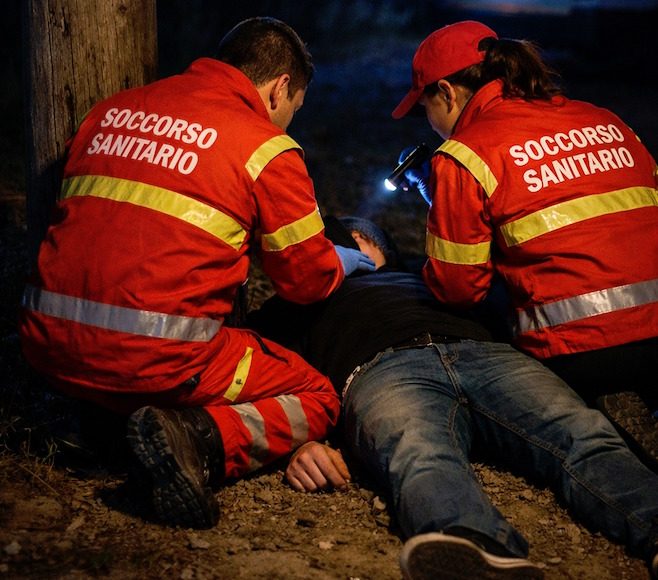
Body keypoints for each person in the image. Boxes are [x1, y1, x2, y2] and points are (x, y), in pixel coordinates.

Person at [17, 17, 375, 530]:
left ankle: (100, 424)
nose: (287, 123)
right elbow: (306, 282)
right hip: (157, 361)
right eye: (293, 110)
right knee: (317, 396)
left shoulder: (110, 111)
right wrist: (340, 259)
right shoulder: (264, 146)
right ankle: (198, 442)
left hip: (48, 348)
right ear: (281, 88)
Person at [250, 216, 658, 580]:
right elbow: (266, 374)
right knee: (417, 452)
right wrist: (299, 444)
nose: (348, 246)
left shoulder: (427, 276)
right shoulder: (296, 304)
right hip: (381, 369)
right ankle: (475, 550)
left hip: (485, 353)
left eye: (358, 238)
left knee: (581, 432)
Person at [390, 20, 658, 464]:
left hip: (580, 353)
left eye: (425, 108)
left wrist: (444, 203)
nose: (431, 123)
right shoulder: (606, 119)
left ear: (447, 92)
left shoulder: (464, 154)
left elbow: (457, 289)